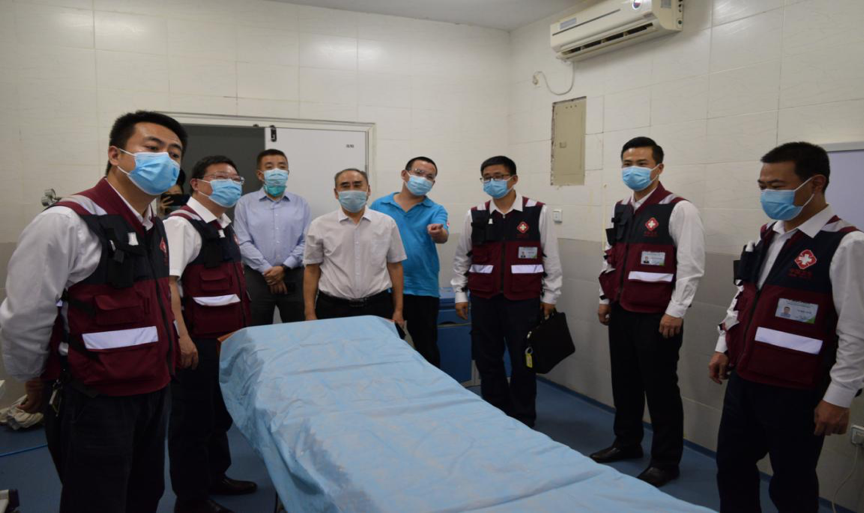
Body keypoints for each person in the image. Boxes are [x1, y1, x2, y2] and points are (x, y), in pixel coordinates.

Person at [0, 111, 185, 512]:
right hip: (95, 399)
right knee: (97, 501)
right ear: (115, 155)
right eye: (153, 147)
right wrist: (33, 377)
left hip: (153, 390)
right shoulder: (65, 222)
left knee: (144, 494)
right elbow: (26, 314)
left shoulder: (154, 225)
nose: (166, 160)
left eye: (174, 153)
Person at [709, 142, 864, 513]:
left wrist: (838, 398)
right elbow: (744, 295)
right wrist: (723, 344)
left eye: (777, 186)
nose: (767, 194)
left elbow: (857, 332)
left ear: (815, 184)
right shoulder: (766, 236)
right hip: (746, 378)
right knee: (731, 467)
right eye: (763, 186)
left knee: (792, 484)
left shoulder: (846, 244)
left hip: (796, 390)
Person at [591, 137, 705, 488]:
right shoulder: (621, 207)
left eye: (641, 163)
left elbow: (691, 267)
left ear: (659, 167)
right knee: (624, 382)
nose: (633, 170)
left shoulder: (679, 209)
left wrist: (676, 311)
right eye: (627, 164)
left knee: (660, 389)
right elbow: (611, 255)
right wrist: (604, 297)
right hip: (622, 309)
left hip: (658, 315)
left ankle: (665, 461)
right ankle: (627, 442)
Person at [163, 156, 257, 513]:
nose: (230, 183)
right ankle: (191, 499)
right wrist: (182, 338)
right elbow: (168, 286)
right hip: (197, 341)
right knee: (192, 422)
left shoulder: (222, 225)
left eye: (235, 178)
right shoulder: (181, 225)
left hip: (227, 340)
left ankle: (216, 477)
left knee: (218, 415)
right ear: (197, 184)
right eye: (220, 177)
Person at [451, 155, 562, 428]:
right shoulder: (475, 214)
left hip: (523, 300)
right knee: (487, 359)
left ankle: (523, 418)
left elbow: (551, 258)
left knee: (523, 361)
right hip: (484, 298)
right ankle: (496, 415)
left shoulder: (537, 212)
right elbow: (462, 258)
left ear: (514, 179)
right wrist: (460, 294)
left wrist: (550, 296)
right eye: (487, 177)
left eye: (498, 176)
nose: (492, 181)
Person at [370, 157, 448, 367]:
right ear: (404, 174)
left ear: (433, 183)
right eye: (418, 173)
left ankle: (432, 386)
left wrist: (438, 232)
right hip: (385, 287)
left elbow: (443, 235)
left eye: (429, 177)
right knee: (385, 348)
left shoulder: (436, 209)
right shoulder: (380, 205)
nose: (423, 179)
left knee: (427, 347)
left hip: (423, 289)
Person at [303, 168, 406, 325]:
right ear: (336, 193)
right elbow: (311, 270)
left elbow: (395, 267)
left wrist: (398, 310)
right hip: (332, 308)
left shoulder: (386, 223)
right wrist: (309, 312)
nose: (352, 190)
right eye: (345, 186)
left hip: (377, 305)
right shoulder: (320, 225)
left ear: (368, 190)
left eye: (357, 185)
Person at [234, 149, 310, 325]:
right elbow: (243, 242)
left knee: (298, 329)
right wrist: (268, 271)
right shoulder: (245, 203)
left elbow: (307, 241)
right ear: (260, 174)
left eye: (282, 167)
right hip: (256, 277)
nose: (277, 171)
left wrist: (283, 268)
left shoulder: (301, 203)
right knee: (257, 329)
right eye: (269, 167)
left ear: (287, 172)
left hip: (294, 275)